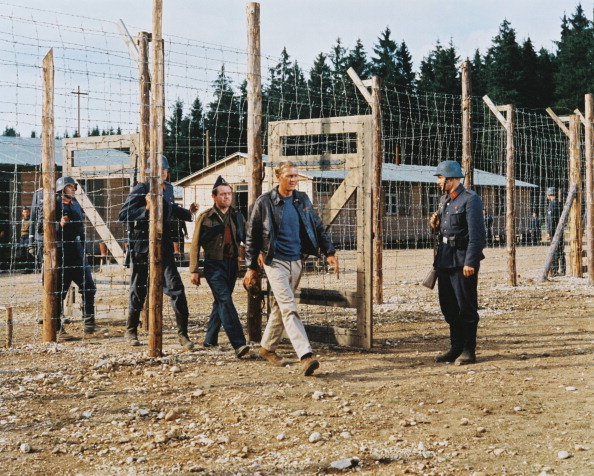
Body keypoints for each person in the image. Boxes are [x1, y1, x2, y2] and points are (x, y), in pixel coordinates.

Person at [243, 161, 339, 376]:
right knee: (289, 307)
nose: (294, 180)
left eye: (296, 176)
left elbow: (317, 226)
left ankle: (267, 348)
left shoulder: (302, 200)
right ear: (278, 176)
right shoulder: (264, 202)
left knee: (281, 304)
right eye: (289, 176)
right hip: (274, 261)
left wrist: (329, 252)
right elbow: (251, 236)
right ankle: (306, 356)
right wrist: (251, 268)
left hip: (296, 260)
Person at [119, 156, 199, 349]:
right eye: (158, 170)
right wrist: (146, 208)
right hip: (142, 246)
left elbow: (170, 208)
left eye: (164, 170)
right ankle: (131, 330)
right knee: (139, 289)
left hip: (163, 246)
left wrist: (188, 213)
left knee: (176, 288)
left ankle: (183, 334)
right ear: (149, 172)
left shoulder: (168, 189)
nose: (162, 173)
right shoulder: (141, 188)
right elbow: (123, 214)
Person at [430, 160, 485, 365]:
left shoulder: (471, 199)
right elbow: (446, 230)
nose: (438, 182)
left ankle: (468, 350)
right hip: (445, 259)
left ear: (452, 179)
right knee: (449, 307)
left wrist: (470, 261)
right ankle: (455, 348)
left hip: (463, 261)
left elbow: (477, 235)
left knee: (466, 307)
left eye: (440, 178)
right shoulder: (445, 199)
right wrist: (434, 225)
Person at [189, 176, 250, 358]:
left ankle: (210, 339)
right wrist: (194, 270)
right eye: (222, 194)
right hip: (213, 264)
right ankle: (239, 344)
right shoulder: (205, 217)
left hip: (232, 264)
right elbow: (194, 244)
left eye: (229, 194)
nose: (226, 197)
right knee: (225, 300)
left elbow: (247, 237)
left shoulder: (237, 216)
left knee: (220, 301)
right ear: (214, 196)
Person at [54, 176, 98, 338]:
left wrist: (84, 250)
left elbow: (81, 230)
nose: (73, 189)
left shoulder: (76, 205)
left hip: (77, 250)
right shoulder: (55, 205)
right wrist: (59, 225)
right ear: (62, 189)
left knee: (89, 287)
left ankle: (89, 323)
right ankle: (57, 328)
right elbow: (44, 228)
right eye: (70, 187)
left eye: (74, 187)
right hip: (62, 252)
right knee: (60, 291)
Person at [545, 187, 566, 276]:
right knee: (561, 250)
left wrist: (549, 232)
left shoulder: (552, 205)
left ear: (549, 194)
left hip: (554, 231)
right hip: (560, 230)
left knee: (554, 250)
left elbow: (551, 220)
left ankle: (554, 269)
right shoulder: (560, 204)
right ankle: (563, 269)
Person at [28, 187, 44, 271]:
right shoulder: (39, 194)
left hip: (58, 238)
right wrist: (31, 243)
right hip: (41, 238)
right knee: (43, 269)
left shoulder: (60, 192)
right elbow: (33, 219)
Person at [19, 207, 34, 273]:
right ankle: (26, 265)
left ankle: (29, 268)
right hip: (22, 237)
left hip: (28, 236)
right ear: (22, 213)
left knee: (28, 253)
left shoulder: (30, 219)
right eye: (24, 212)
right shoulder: (21, 219)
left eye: (27, 212)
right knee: (22, 253)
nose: (26, 213)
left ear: (29, 212)